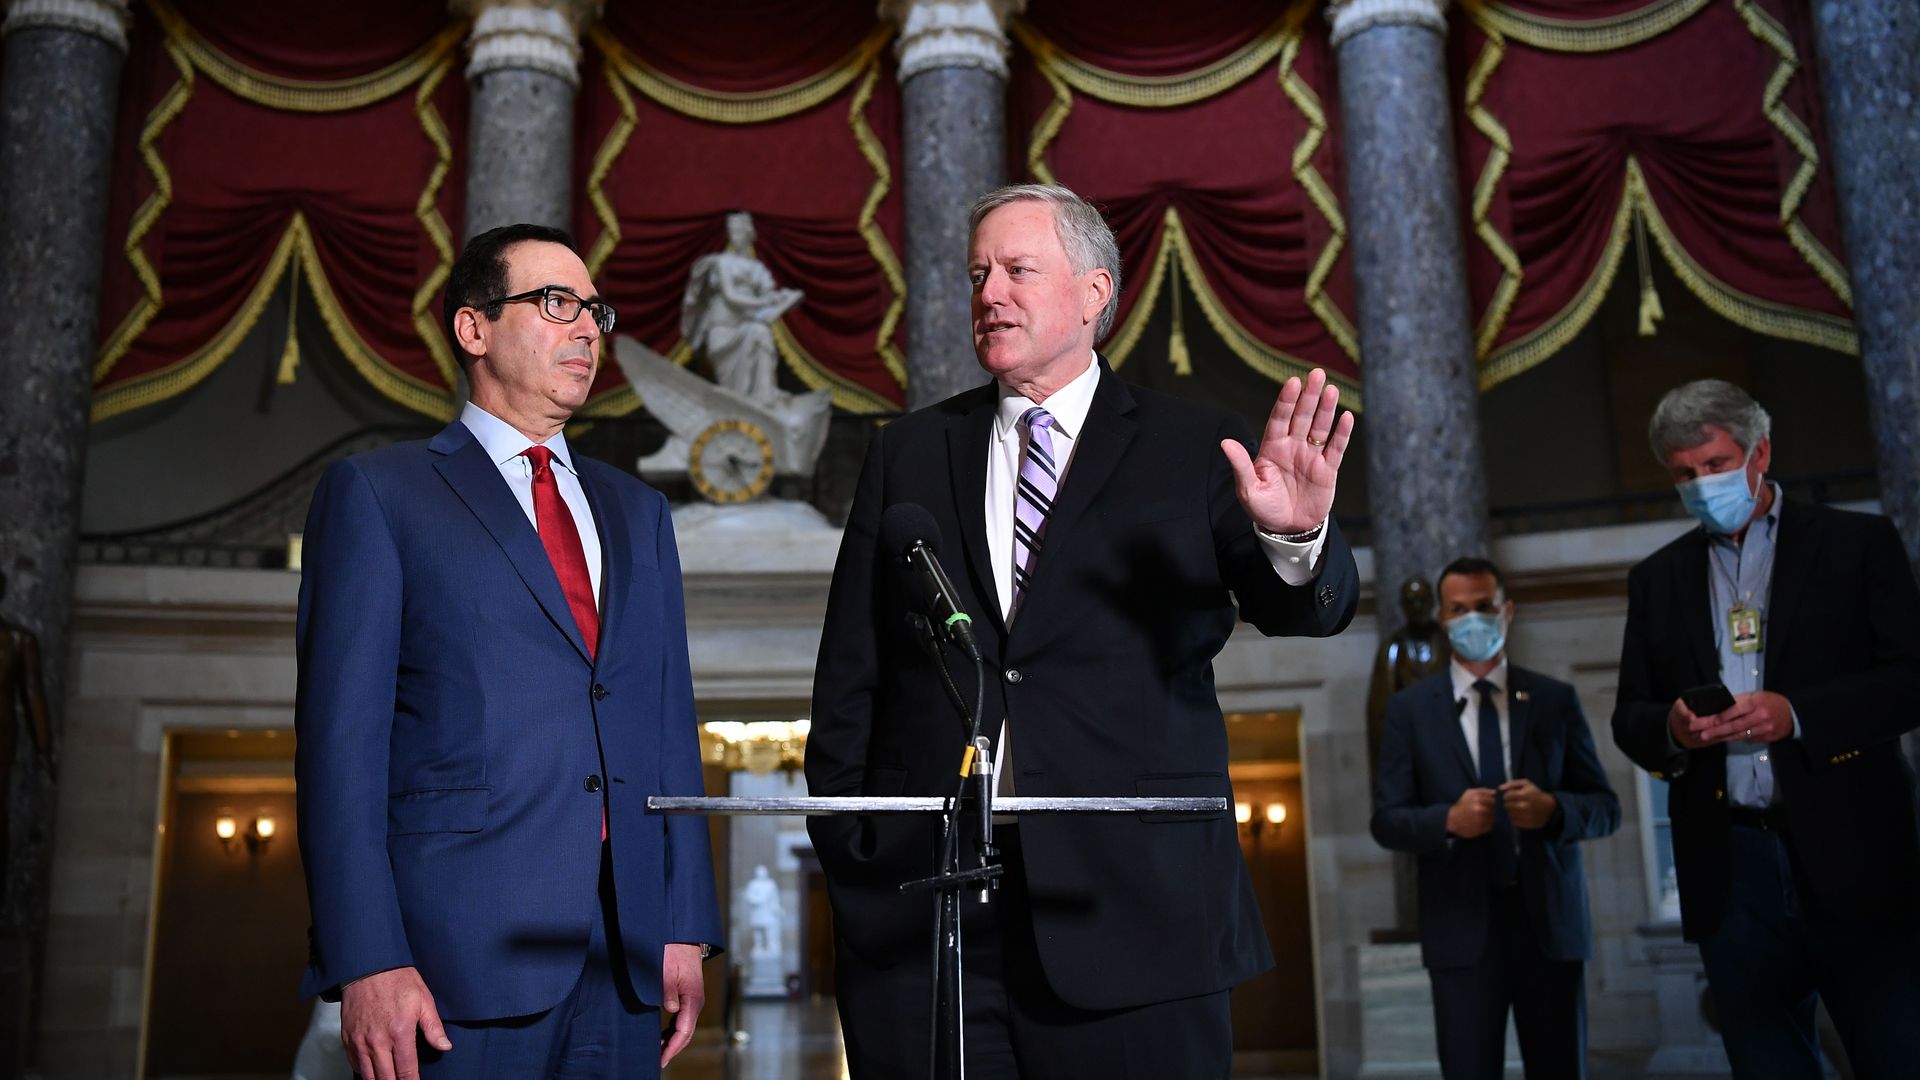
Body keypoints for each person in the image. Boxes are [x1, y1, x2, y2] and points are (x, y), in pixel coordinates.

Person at [805, 182, 1360, 1077]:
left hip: (1139, 919)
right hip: (931, 927)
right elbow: (850, 680)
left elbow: (1303, 609)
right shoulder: (907, 452)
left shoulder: (1192, 447)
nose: (990, 293)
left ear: (1096, 292)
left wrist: (1294, 537)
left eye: (1019, 270)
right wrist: (858, 862)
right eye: (978, 272)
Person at [295, 224, 722, 1080]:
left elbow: (668, 723)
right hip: (453, 957)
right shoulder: (380, 495)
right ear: (473, 328)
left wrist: (684, 923)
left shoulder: (639, 511)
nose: (587, 329)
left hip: (627, 958)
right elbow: (340, 748)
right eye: (556, 303)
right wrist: (366, 956)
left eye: (595, 310)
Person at [1612, 378, 1920, 1078]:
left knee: (1895, 1053)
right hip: (1732, 868)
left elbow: (1910, 680)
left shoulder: (1857, 544)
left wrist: (1798, 714)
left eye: (1715, 465)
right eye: (1685, 474)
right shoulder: (1657, 579)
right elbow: (1630, 715)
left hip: (1854, 854)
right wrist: (1674, 728)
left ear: (1760, 454)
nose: (1701, 485)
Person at [1371, 557, 1619, 1079]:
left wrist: (1554, 810)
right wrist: (1447, 821)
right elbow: (1387, 821)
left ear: (1508, 611)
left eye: (1484, 607)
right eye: (1459, 609)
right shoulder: (1409, 711)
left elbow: (1605, 807)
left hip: (1549, 929)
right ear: (1441, 618)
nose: (1472, 620)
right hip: (1460, 933)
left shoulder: (1554, 699)